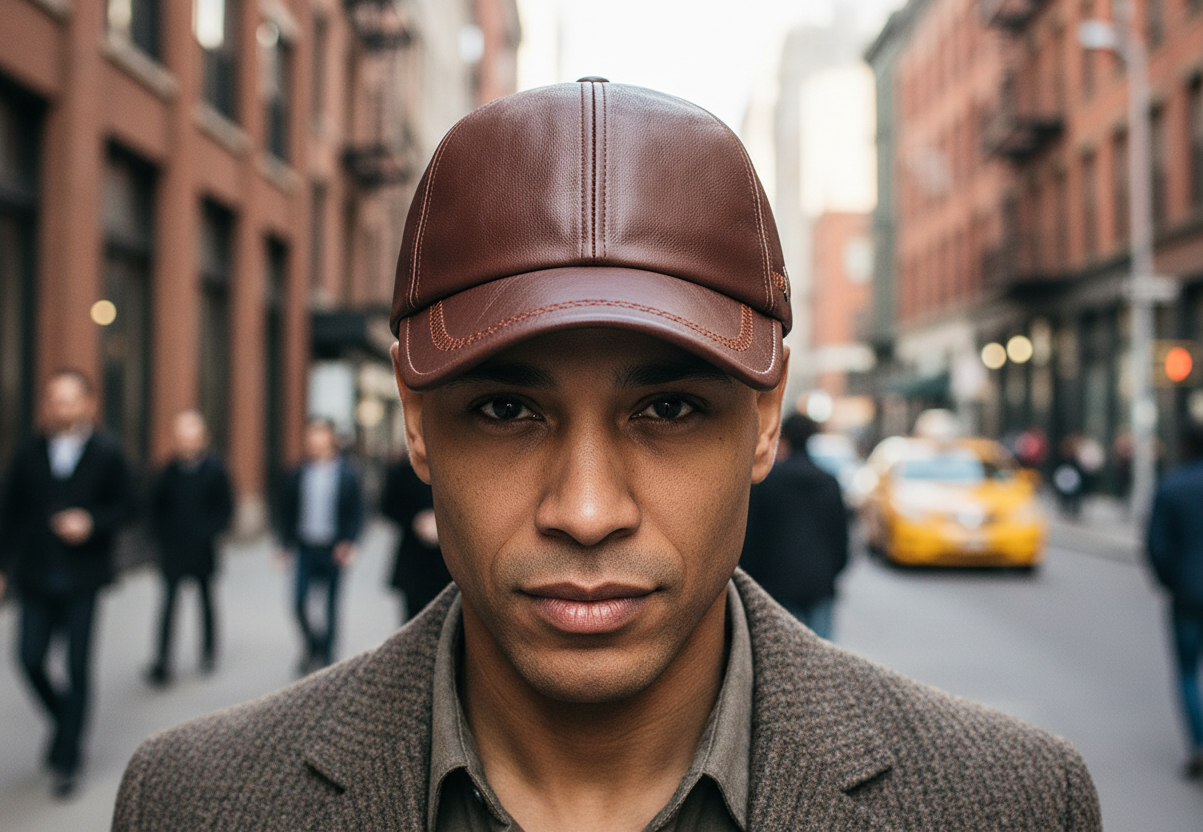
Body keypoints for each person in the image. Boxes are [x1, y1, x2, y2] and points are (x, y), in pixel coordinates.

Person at [114, 80, 1101, 830]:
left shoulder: (1011, 803)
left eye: (669, 405)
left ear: (766, 420)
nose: (586, 511)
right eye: (506, 406)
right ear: (418, 420)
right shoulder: (190, 804)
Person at [0, 368, 132, 799]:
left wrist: (91, 522)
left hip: (83, 578)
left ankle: (68, 759)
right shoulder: (29, 452)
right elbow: (8, 514)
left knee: (78, 668)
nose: (59, 406)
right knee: (29, 659)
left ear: (88, 403)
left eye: (68, 398)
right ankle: (66, 721)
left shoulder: (107, 452)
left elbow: (128, 508)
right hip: (35, 576)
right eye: (53, 399)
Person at [144, 410, 234, 686]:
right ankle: (162, 660)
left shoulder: (215, 470)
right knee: (168, 605)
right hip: (173, 550)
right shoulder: (167, 472)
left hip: (203, 549)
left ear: (202, 439)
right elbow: (155, 510)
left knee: (206, 601)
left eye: (191, 438)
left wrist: (210, 533)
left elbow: (225, 509)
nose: (186, 443)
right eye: (181, 438)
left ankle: (208, 652)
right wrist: (159, 541)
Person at [740, 412, 848, 640]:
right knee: (823, 660)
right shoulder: (829, 482)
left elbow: (752, 538)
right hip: (820, 583)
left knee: (786, 661)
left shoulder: (768, 481)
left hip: (778, 585)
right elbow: (841, 539)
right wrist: (830, 573)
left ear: (784, 437)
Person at [273, 417, 363, 674]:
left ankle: (328, 658)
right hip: (305, 548)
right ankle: (313, 644)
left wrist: (350, 543)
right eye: (311, 436)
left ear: (331, 439)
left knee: (332, 606)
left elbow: (357, 511)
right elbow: (286, 512)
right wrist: (283, 546)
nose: (314, 441)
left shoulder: (347, 473)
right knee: (298, 602)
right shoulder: (298, 472)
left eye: (320, 435)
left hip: (334, 549)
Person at [1146, 422, 1203, 778]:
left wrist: (1173, 582)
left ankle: (1199, 744)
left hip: (1186, 596)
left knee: (1186, 672)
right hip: (1185, 592)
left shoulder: (1171, 487)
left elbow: (1156, 547)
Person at [382, 452, 451, 621]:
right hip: (413, 558)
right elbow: (387, 506)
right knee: (412, 618)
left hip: (448, 561)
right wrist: (414, 520)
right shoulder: (405, 470)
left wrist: (445, 523)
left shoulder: (460, 467)